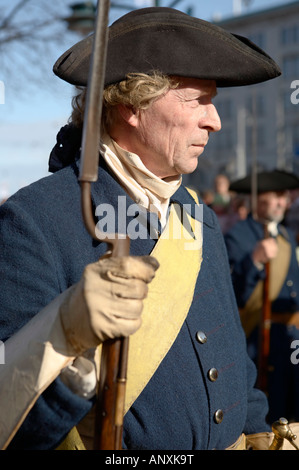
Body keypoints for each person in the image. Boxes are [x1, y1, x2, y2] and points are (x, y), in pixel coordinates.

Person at [0, 7, 286, 450]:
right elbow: (12, 423)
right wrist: (67, 336)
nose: (215, 121)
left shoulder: (197, 216)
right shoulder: (33, 220)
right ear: (133, 105)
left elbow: (234, 363)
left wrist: (259, 433)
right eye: (198, 101)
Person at [224, 169, 299, 424]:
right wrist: (254, 261)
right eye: (275, 196)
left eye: (284, 196)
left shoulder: (286, 235)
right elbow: (234, 294)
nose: (282, 202)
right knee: (270, 406)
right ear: (257, 200)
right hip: (260, 335)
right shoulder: (238, 235)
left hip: (291, 336)